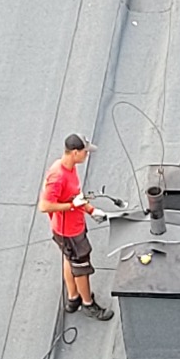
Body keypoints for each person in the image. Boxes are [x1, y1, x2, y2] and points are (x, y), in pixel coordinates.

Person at [39, 135, 114, 320]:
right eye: (85, 152)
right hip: (69, 232)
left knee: (68, 258)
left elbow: (75, 196)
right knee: (81, 266)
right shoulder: (58, 176)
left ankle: (73, 298)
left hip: (72, 228)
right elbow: (45, 206)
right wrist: (72, 206)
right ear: (75, 152)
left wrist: (90, 210)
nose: (87, 155)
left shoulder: (69, 168)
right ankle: (88, 304)